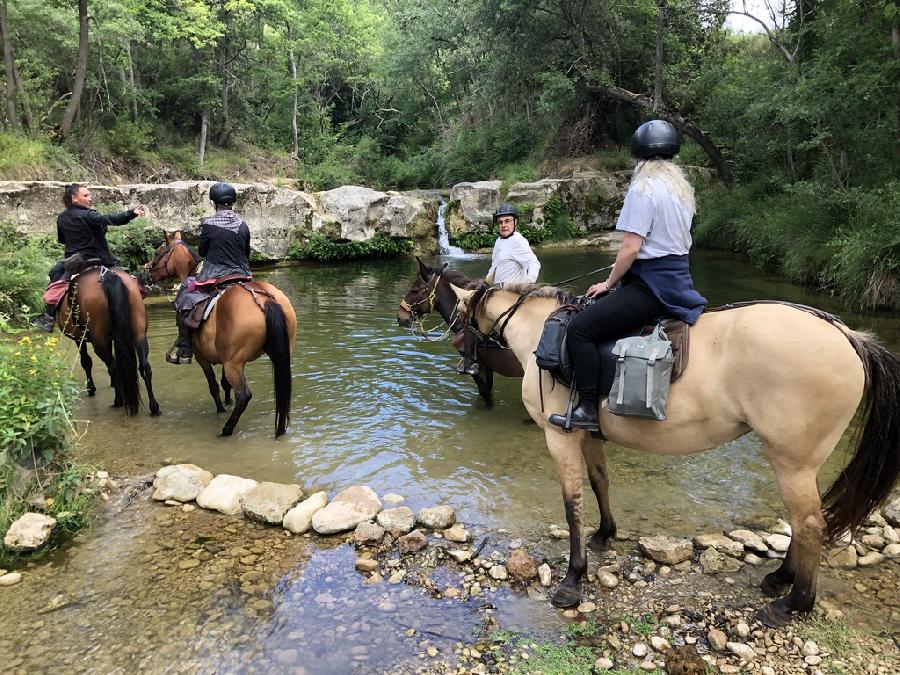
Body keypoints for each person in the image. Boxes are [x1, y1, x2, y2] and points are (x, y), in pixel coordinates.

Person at [548, 119, 707, 432]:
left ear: (639, 158)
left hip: (650, 287)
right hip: (678, 281)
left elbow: (631, 248)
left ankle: (588, 410)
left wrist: (609, 284)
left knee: (580, 329)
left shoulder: (643, 188)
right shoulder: (682, 191)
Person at [31, 184, 145, 332]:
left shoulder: (62, 217)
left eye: (89, 195)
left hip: (75, 262)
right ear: (74, 198)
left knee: (56, 276)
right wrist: (131, 213)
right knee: (125, 276)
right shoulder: (89, 215)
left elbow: (62, 240)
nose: (90, 198)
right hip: (101, 259)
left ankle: (48, 316)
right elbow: (111, 219)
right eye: (86, 195)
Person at [167, 181, 251, 365]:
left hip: (215, 275)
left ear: (214, 202)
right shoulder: (243, 224)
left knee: (184, 295)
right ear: (232, 202)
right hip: (242, 274)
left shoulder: (209, 225)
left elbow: (203, 252)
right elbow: (246, 253)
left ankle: (184, 350)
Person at [458, 203, 541, 375]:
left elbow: (534, 263)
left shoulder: (518, 241)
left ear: (515, 223)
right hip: (496, 293)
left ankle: (471, 362)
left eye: (507, 221)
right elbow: (494, 269)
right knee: (469, 311)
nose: (504, 225)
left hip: (511, 296)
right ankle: (474, 360)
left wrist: (527, 283)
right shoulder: (498, 241)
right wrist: (482, 283)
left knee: (472, 319)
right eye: (501, 222)